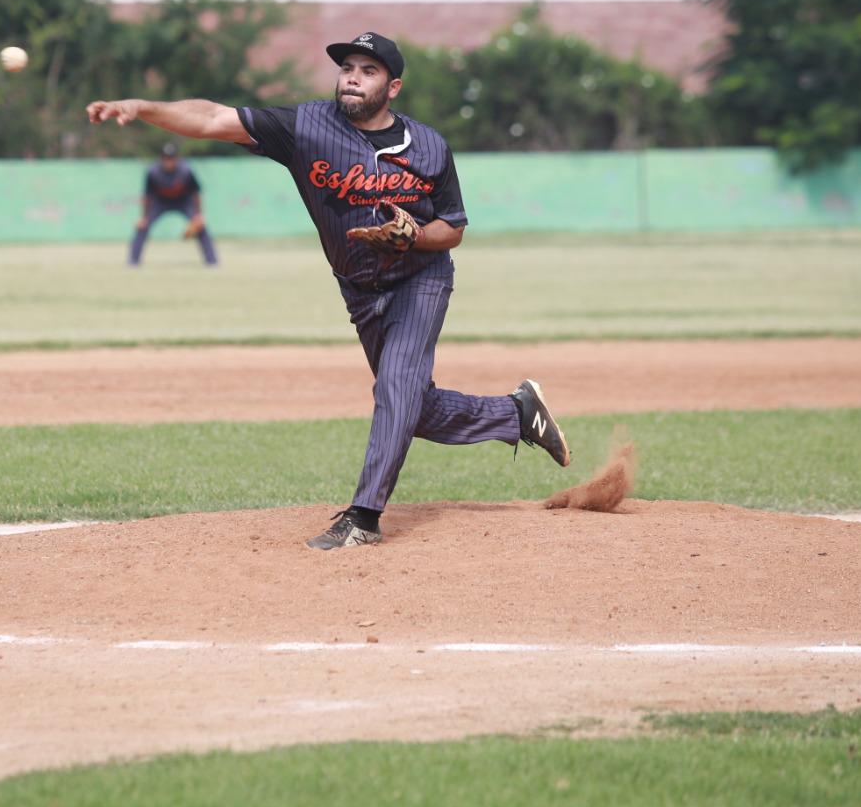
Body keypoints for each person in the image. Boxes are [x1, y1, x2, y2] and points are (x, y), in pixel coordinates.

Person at [87, 31, 573, 550]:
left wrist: (413, 235)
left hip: (421, 279)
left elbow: (452, 228)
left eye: (368, 71)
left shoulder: (429, 146)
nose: (353, 78)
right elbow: (210, 118)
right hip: (360, 290)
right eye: (347, 68)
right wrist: (143, 108)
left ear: (393, 87)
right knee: (415, 407)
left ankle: (363, 518)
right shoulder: (306, 127)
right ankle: (515, 412)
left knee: (395, 389)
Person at [128, 142, 218, 266]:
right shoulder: (153, 172)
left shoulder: (186, 171)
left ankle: (212, 261)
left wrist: (198, 215)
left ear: (177, 158)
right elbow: (147, 196)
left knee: (199, 226)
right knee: (143, 226)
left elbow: (196, 193)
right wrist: (143, 217)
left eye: (171, 158)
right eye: (166, 158)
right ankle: (133, 261)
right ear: (161, 158)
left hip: (183, 201)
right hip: (160, 201)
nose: (168, 162)